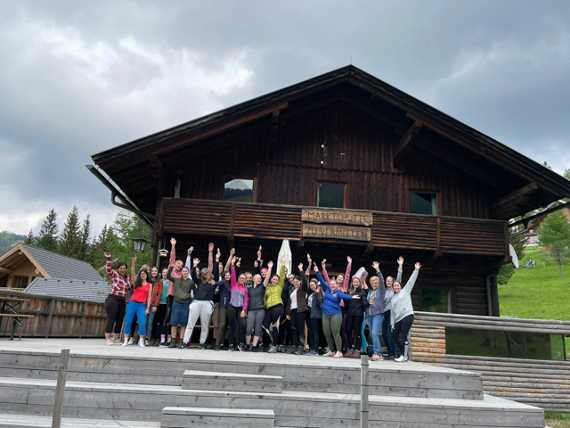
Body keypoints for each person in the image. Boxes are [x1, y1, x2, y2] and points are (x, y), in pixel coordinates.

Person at [183, 243, 219, 349]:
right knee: (190, 323)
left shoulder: (213, 282)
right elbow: (193, 275)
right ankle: (185, 342)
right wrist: (194, 265)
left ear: (209, 273)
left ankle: (202, 343)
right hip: (196, 302)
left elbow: (215, 270)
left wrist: (213, 256)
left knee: (205, 324)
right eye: (203, 272)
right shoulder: (198, 281)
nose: (205, 273)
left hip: (207, 303)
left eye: (206, 272)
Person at [314, 262, 353, 358]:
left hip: (336, 314)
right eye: (331, 284)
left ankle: (339, 351)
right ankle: (331, 350)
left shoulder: (339, 292)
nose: (332, 285)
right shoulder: (327, 289)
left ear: (336, 285)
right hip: (325, 314)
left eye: (334, 284)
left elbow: (345, 296)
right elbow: (322, 281)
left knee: (335, 333)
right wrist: (317, 272)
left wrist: (353, 297)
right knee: (327, 333)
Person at [387, 261, 422, 362]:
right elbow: (392, 313)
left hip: (407, 315)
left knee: (402, 336)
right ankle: (402, 354)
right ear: (393, 288)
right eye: (394, 286)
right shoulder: (392, 298)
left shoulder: (406, 291)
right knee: (393, 336)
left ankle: (404, 356)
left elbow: (412, 280)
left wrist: (416, 269)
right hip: (398, 319)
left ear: (400, 286)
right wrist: (392, 324)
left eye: (398, 285)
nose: (396, 287)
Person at [375, 257, 403, 359]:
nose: (388, 282)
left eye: (390, 281)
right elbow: (381, 280)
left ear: (393, 282)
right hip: (385, 313)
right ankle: (390, 351)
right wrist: (377, 269)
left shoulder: (395, 289)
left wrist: (400, 265)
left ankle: (394, 352)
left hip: (393, 313)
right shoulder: (384, 290)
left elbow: (399, 277)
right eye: (387, 281)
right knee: (384, 334)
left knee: (390, 333)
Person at [103, 253, 131, 345]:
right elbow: (108, 270)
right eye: (121, 268)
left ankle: (115, 338)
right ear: (118, 269)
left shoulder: (127, 278)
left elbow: (130, 288)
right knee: (112, 318)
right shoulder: (115, 274)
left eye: (124, 268)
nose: (123, 269)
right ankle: (108, 338)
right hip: (113, 299)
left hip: (122, 300)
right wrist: (109, 259)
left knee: (120, 319)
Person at [122, 268, 152, 347]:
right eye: (141, 274)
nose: (143, 275)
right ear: (140, 275)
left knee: (142, 322)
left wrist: (148, 308)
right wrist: (133, 262)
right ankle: (126, 339)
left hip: (142, 305)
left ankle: (141, 340)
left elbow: (149, 297)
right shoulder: (136, 282)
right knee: (128, 321)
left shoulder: (150, 285)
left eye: (144, 274)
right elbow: (132, 273)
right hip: (132, 303)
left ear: (146, 275)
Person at [262, 261, 287, 353]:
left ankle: (274, 346)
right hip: (269, 308)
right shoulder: (267, 287)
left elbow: (282, 275)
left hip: (278, 307)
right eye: (273, 279)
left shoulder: (280, 286)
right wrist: (265, 305)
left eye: (276, 279)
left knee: (275, 327)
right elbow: (264, 298)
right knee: (264, 326)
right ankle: (270, 343)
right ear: (271, 279)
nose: (275, 280)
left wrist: (282, 263)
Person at [169, 265, 195, 348]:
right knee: (174, 323)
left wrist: (191, 299)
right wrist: (170, 267)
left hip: (185, 304)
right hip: (176, 303)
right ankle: (173, 342)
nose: (185, 272)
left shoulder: (191, 282)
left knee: (183, 324)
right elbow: (169, 276)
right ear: (181, 272)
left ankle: (181, 341)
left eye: (186, 271)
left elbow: (195, 291)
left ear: (188, 273)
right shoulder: (176, 279)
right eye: (183, 271)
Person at [285, 263, 309, 355]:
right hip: (292, 311)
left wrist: (301, 270)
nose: (295, 282)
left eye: (297, 281)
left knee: (300, 329)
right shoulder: (291, 290)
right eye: (294, 281)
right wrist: (287, 313)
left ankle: (300, 347)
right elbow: (289, 303)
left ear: (300, 282)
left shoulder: (303, 289)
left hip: (300, 311)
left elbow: (305, 281)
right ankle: (294, 346)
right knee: (293, 329)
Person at [228, 257, 249, 351]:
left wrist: (244, 310)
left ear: (245, 280)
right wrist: (232, 264)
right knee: (232, 325)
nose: (242, 279)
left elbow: (246, 301)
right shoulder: (233, 284)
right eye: (240, 277)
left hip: (240, 309)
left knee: (241, 326)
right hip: (232, 307)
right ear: (238, 278)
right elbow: (233, 274)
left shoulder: (245, 289)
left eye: (243, 278)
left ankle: (238, 344)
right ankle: (231, 344)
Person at [346, 269, 367, 358]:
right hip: (350, 314)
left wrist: (368, 303)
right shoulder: (349, 291)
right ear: (352, 283)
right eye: (354, 282)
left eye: (357, 282)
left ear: (359, 283)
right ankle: (350, 348)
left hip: (358, 315)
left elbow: (364, 303)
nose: (355, 283)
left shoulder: (362, 291)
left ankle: (357, 350)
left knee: (358, 332)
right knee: (349, 331)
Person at [150, 268, 172, 346]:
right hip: (157, 304)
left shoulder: (170, 282)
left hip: (166, 304)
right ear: (161, 273)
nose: (165, 273)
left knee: (163, 322)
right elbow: (155, 293)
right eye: (163, 272)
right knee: (155, 322)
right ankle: (153, 338)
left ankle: (159, 339)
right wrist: (154, 303)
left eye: (166, 272)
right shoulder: (158, 281)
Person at [245, 272, 265, 351]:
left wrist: (270, 268)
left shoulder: (262, 287)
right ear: (253, 279)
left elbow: (266, 279)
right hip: (251, 310)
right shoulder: (249, 288)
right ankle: (247, 344)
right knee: (249, 328)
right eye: (257, 278)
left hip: (260, 310)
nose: (259, 279)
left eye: (260, 278)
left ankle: (254, 346)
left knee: (257, 328)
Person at [306, 275, 323, 356]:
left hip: (316, 315)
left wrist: (317, 293)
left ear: (316, 285)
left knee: (315, 332)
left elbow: (320, 303)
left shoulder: (318, 292)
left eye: (313, 285)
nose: (311, 286)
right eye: (310, 285)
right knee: (311, 332)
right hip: (310, 315)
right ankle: (312, 349)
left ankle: (316, 350)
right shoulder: (311, 293)